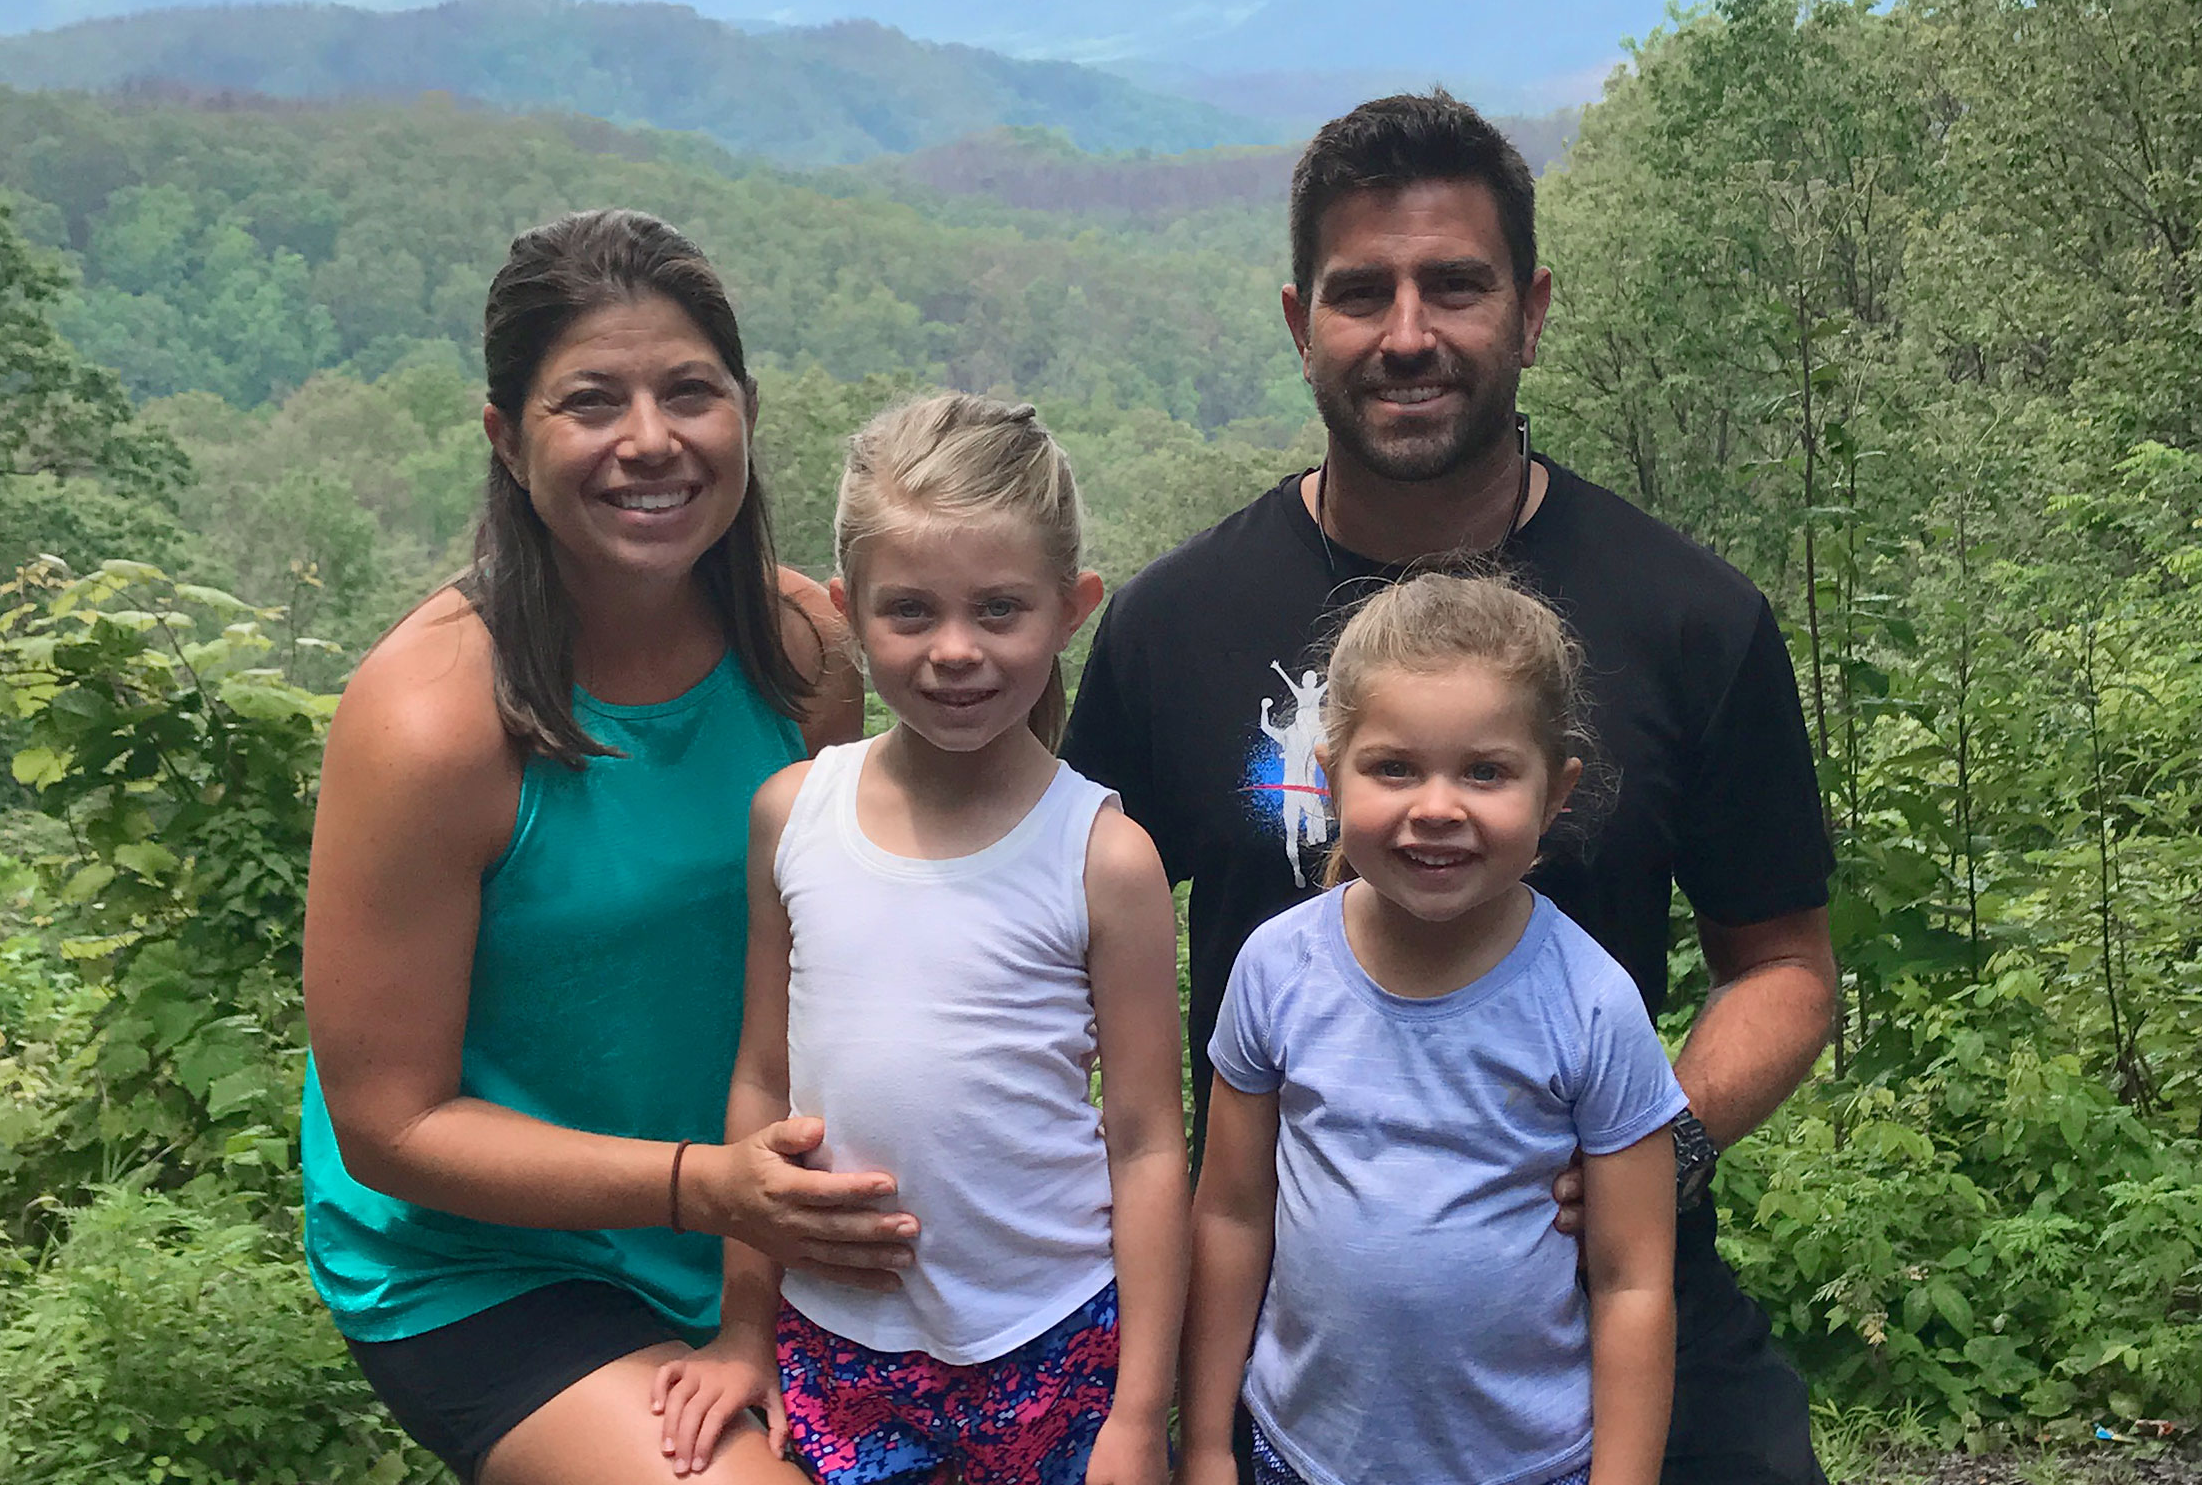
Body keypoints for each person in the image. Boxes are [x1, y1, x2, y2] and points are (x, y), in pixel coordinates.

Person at [1063, 92, 1841, 1485]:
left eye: (1456, 287)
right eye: (1363, 294)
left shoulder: (1689, 621)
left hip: (1603, 1288)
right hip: (1292, 1328)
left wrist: (1652, 1143)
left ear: (1531, 311)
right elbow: (1052, 950)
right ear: (1302, 321)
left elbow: (1785, 966)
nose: (1408, 336)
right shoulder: (1171, 629)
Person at [300, 209, 910, 1485]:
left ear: (744, 409)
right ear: (506, 438)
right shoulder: (431, 725)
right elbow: (391, 1125)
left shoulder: (801, 656)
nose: (651, 440)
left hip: (748, 1220)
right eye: (591, 402)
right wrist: (704, 1186)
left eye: (691, 392)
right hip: (492, 1259)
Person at [651, 392, 1190, 1485]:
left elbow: (1144, 1142)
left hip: (1056, 1337)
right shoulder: (791, 815)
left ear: (1071, 606)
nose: (956, 651)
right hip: (834, 1341)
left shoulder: (1102, 855)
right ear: (849, 609)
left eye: (1000, 610)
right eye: (912, 612)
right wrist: (743, 1331)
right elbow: (764, 1083)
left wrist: (1140, 1413)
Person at [1178, 570, 1685, 1485]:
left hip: (1529, 1465)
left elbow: (1634, 1282)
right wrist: (1208, 1444)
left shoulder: (1591, 1002)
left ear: (1555, 792)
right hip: (1302, 1456)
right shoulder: (1275, 970)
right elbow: (1230, 1214)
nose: (1438, 806)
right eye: (1395, 767)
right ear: (1330, 776)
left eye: (1485, 771)